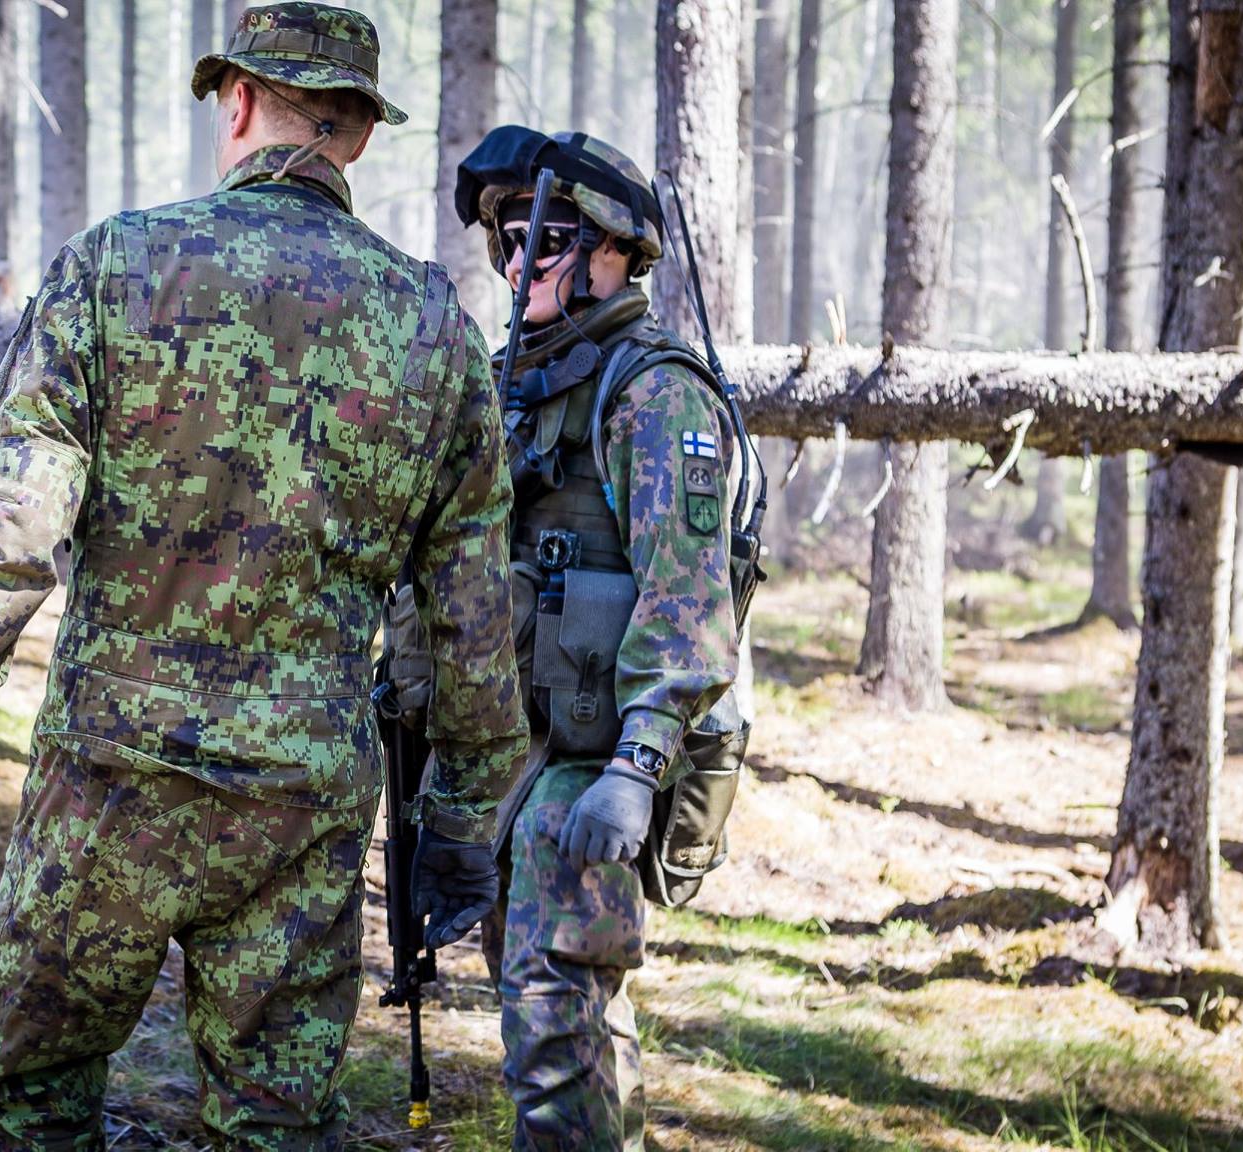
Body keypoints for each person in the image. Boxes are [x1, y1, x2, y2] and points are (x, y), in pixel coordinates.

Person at [0, 4, 527, 1147]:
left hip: (109, 788)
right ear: (356, 134)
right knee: (270, 1121)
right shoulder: (432, 326)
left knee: (28, 1098)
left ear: (237, 102)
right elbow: (468, 610)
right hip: (299, 806)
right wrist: (462, 818)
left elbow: (5, 521)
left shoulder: (119, 265)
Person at [455, 127, 745, 1150]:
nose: (515, 262)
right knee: (559, 1005)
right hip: (527, 756)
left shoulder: (652, 394)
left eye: (545, 239)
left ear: (615, 251)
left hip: (597, 763)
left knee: (551, 1012)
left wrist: (637, 762)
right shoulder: (522, 383)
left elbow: (687, 593)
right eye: (505, 242)